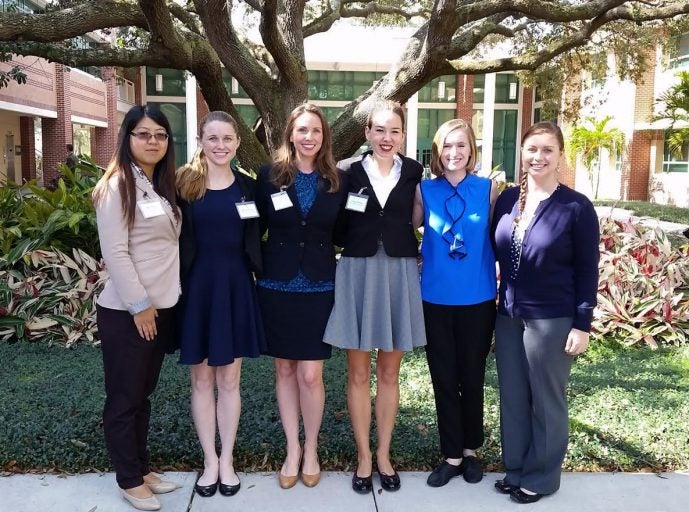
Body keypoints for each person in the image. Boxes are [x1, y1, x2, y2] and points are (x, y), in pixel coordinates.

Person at [491, 122, 600, 504]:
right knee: (514, 397)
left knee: (546, 399)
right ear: (522, 153)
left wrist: (582, 323)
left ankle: (542, 477)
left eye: (547, 150)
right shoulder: (507, 200)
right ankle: (517, 469)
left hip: (551, 319)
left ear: (560, 157)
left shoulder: (576, 206)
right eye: (532, 149)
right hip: (508, 317)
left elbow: (588, 269)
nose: (538, 157)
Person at [324, 101, 426, 494]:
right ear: (367, 132)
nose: (387, 138)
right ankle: (363, 456)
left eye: (395, 131)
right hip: (358, 270)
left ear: (403, 136)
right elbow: (334, 222)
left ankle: (384, 453)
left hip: (399, 271)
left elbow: (417, 217)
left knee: (388, 372)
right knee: (358, 372)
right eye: (380, 130)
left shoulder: (414, 171)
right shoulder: (347, 171)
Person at [92, 105, 180, 511]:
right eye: (143, 134)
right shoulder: (117, 186)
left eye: (160, 135)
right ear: (127, 138)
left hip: (160, 307)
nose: (153, 141)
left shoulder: (156, 182)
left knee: (142, 394)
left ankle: (141, 467)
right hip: (131, 312)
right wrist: (140, 306)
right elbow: (116, 251)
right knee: (124, 397)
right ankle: (128, 478)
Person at [254, 103, 346, 489]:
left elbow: (346, 230)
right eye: (303, 130)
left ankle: (312, 448)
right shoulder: (269, 176)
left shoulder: (336, 180)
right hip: (276, 286)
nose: (309, 138)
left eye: (316, 132)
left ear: (324, 138)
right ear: (290, 133)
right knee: (285, 370)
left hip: (320, 287)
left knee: (310, 375)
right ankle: (292, 449)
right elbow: (252, 225)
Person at [175, 111, 265, 498]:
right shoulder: (183, 184)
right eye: (213, 138)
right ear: (201, 140)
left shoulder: (248, 188)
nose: (220, 145)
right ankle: (208, 461)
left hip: (234, 288)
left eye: (227, 138)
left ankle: (227, 459)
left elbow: (259, 234)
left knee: (229, 380)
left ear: (237, 142)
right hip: (195, 289)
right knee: (201, 379)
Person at [411, 119, 498, 488]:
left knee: (472, 375)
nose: (454, 153)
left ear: (471, 151)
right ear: (437, 152)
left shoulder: (489, 189)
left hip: (477, 298)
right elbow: (402, 229)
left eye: (461, 145)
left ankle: (471, 450)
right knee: (443, 377)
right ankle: (450, 454)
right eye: (447, 146)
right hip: (434, 297)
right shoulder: (423, 190)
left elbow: (502, 235)